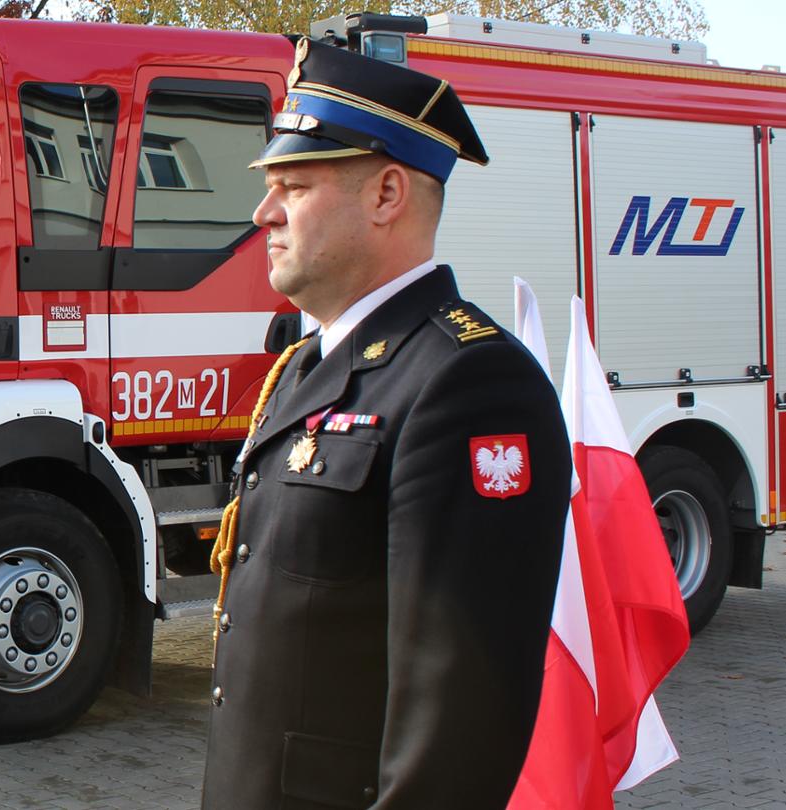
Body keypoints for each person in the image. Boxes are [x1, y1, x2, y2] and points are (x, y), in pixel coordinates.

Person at [202, 39, 572, 809]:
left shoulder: (469, 382)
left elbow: (461, 720)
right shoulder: (306, 366)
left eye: (293, 186)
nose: (263, 213)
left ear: (387, 194)